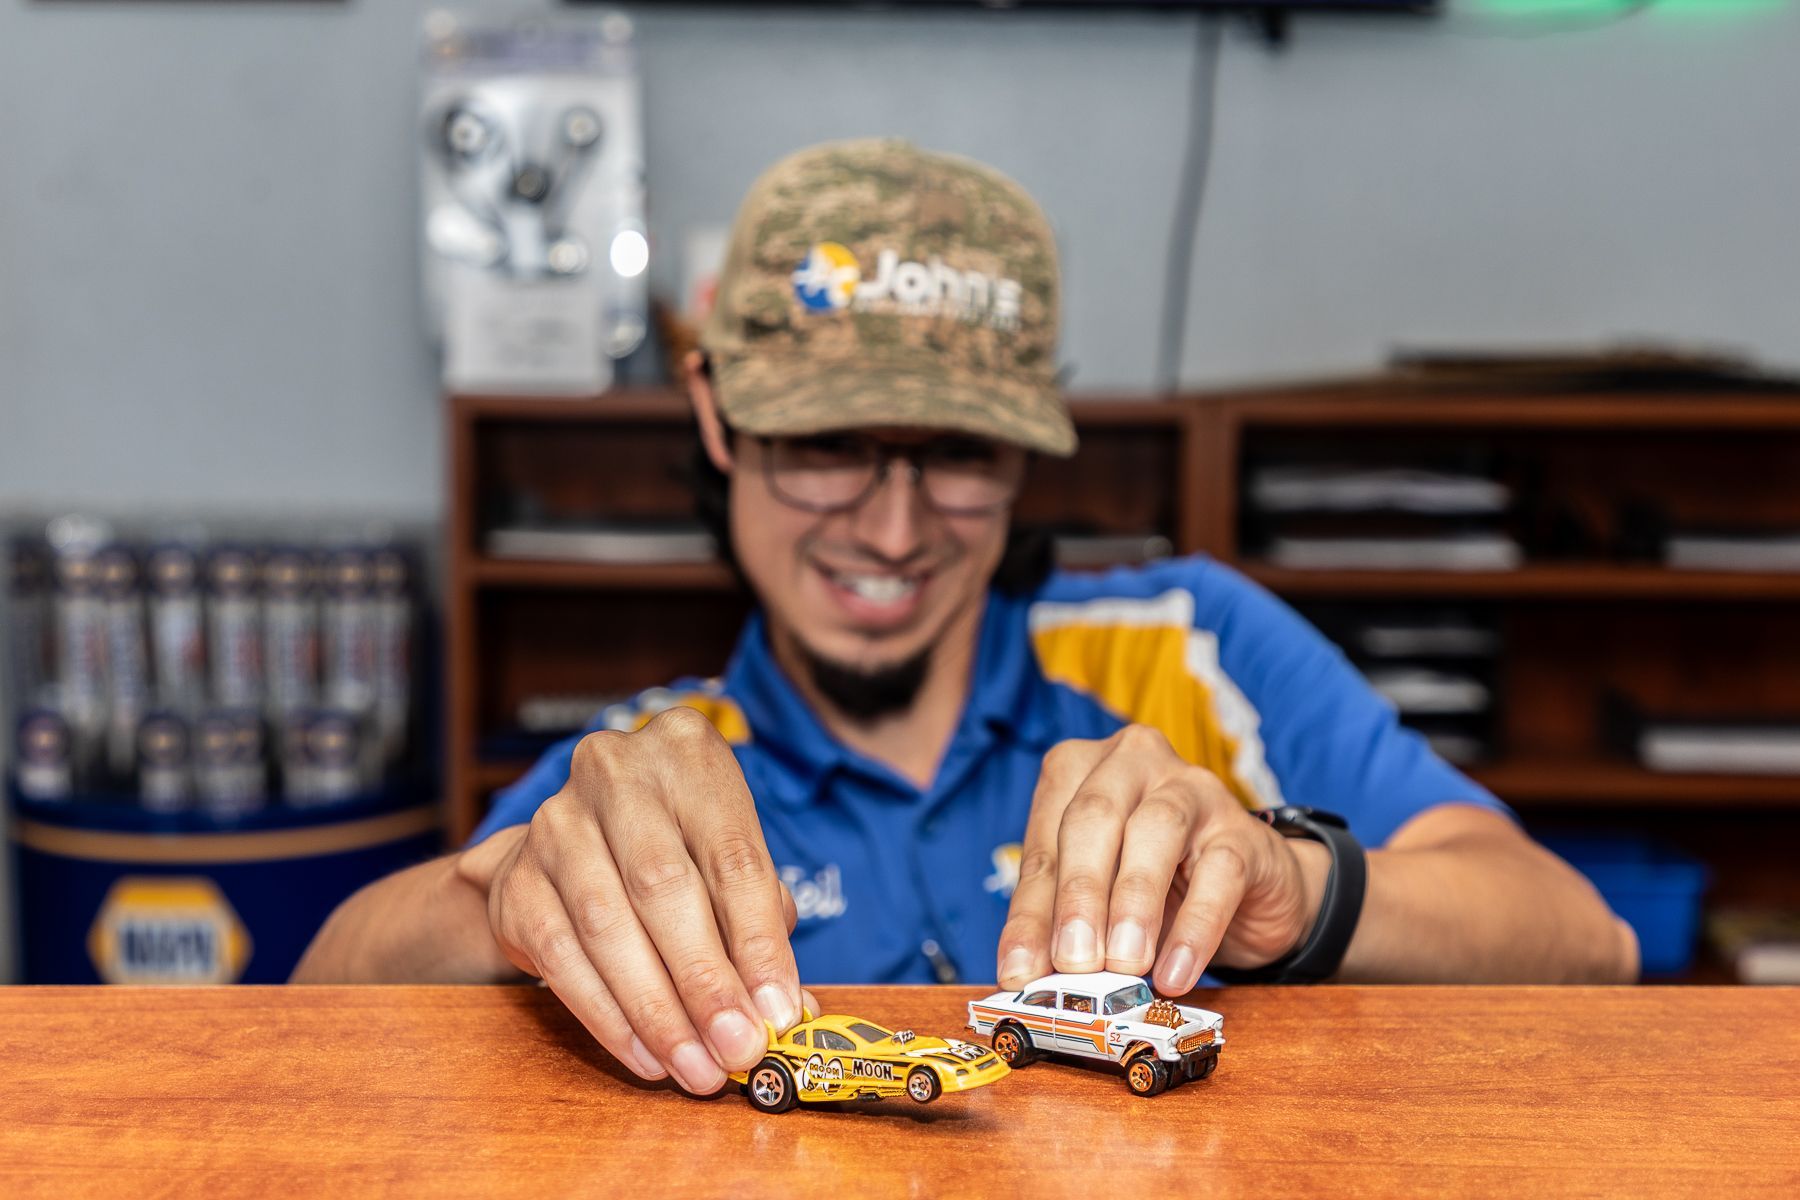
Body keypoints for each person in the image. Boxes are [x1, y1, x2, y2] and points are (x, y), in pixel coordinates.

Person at [295, 138, 1636, 1099]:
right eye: (825, 445)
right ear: (717, 417)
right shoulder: (650, 765)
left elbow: (1586, 943)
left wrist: (1299, 890)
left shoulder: (1199, 642)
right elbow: (318, 1008)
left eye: (958, 453)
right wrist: (503, 902)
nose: (890, 529)